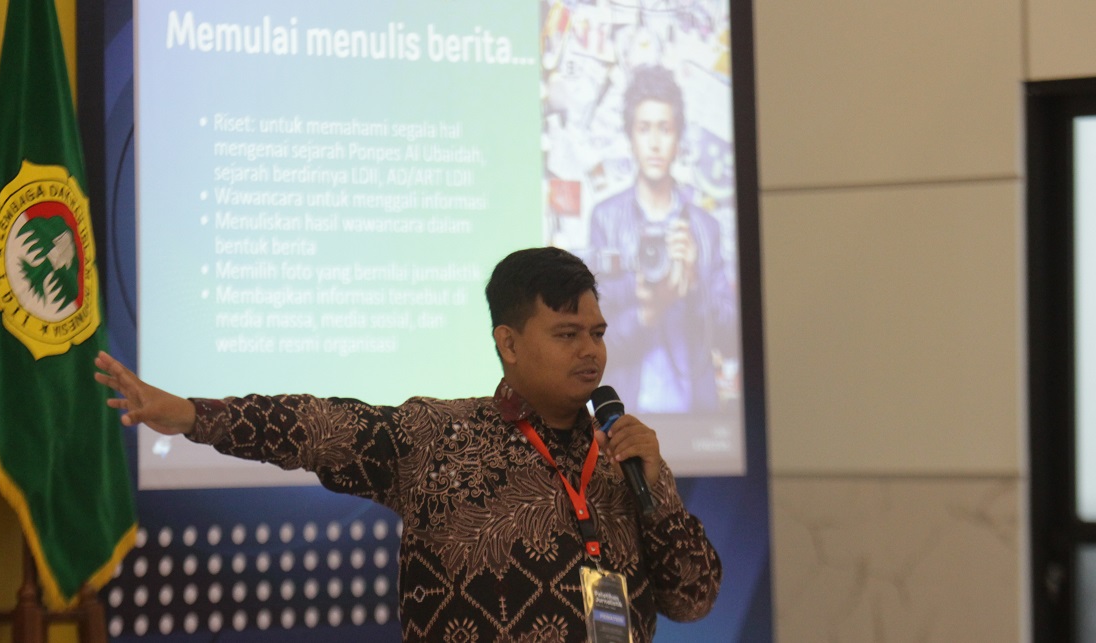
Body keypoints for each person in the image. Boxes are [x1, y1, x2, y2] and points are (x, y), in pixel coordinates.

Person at [95, 247, 721, 642]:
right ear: (508, 343)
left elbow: (693, 600)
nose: (590, 351)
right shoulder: (439, 438)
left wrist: (659, 497)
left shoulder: (625, 457)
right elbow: (318, 426)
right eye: (566, 334)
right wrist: (193, 415)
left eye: (597, 333)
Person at [588, 65, 737, 414]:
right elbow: (592, 344)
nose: (654, 143)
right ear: (630, 136)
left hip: (696, 418)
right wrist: (647, 314)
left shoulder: (704, 228)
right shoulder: (606, 219)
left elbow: (731, 339)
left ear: (678, 138)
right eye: (644, 129)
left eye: (665, 129)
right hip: (626, 418)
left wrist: (694, 285)